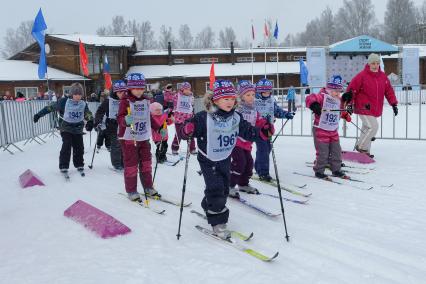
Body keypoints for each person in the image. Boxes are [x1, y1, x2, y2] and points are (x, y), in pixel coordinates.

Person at [181, 80, 269, 239]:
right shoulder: (203, 117)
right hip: (208, 159)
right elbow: (186, 130)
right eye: (225, 99)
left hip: (225, 157)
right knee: (216, 189)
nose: (230, 102)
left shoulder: (236, 117)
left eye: (232, 99)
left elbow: (248, 132)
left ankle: (209, 205)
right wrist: (187, 129)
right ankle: (218, 224)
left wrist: (262, 132)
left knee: (224, 187)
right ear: (215, 100)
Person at [117, 73, 162, 201]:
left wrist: (158, 127)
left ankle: (148, 186)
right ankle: (131, 190)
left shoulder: (146, 101)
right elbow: (119, 117)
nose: (139, 91)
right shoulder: (125, 101)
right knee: (131, 165)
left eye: (141, 88)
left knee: (146, 163)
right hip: (129, 137)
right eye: (136, 88)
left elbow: (149, 118)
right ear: (130, 88)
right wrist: (125, 120)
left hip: (143, 136)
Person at [33, 83, 94, 175]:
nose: (78, 96)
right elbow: (50, 108)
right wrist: (38, 115)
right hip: (66, 127)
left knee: (79, 147)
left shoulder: (83, 104)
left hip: (78, 128)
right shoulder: (63, 102)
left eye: (80, 94)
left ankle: (79, 164)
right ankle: (64, 166)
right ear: (71, 94)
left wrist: (90, 121)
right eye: (76, 94)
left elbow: (87, 113)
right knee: (67, 145)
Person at [346, 53, 398, 157]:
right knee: (373, 127)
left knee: (366, 128)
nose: (375, 65)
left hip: (374, 108)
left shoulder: (383, 76)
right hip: (363, 107)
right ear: (369, 64)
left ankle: (365, 152)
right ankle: (361, 146)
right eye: (373, 63)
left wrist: (393, 104)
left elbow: (389, 91)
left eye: (377, 63)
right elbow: (352, 90)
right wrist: (349, 104)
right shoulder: (361, 76)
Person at [305, 75, 352, 179]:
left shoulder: (338, 99)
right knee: (323, 153)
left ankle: (336, 169)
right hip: (321, 130)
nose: (337, 93)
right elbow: (310, 98)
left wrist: (346, 113)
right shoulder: (322, 96)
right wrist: (314, 105)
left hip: (333, 131)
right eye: (335, 90)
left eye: (339, 90)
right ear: (328, 88)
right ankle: (319, 170)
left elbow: (340, 110)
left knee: (337, 152)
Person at [229, 80, 265, 198]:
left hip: (247, 142)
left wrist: (266, 126)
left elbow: (258, 122)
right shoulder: (237, 108)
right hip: (236, 141)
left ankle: (243, 184)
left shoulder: (254, 109)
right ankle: (229, 185)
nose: (251, 97)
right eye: (248, 95)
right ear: (240, 96)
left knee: (249, 163)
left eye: (253, 95)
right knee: (240, 162)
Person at [254, 78, 294, 182]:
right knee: (263, 149)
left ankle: (258, 166)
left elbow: (277, 111)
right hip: (258, 129)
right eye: (264, 92)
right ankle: (263, 172)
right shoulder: (254, 101)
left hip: (268, 129)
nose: (267, 94)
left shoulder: (271, 100)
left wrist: (286, 114)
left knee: (267, 148)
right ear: (259, 92)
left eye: (269, 92)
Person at [94, 80, 126, 170]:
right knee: (116, 144)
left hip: (124, 124)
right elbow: (100, 111)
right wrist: (98, 121)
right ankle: (117, 164)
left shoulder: (127, 100)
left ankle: (124, 162)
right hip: (112, 125)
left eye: (124, 91)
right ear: (115, 91)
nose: (122, 94)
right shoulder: (108, 101)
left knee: (124, 144)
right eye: (119, 92)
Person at [171, 82, 196, 155]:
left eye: (189, 89)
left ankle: (192, 149)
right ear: (182, 89)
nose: (188, 91)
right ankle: (174, 148)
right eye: (186, 89)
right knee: (178, 135)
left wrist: (193, 115)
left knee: (191, 134)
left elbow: (192, 107)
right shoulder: (177, 96)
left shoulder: (191, 97)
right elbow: (172, 103)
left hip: (188, 119)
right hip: (179, 119)